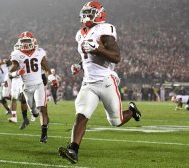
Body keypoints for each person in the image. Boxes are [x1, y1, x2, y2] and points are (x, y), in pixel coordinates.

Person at [58, 1, 142, 163]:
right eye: (86, 12)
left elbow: (116, 57)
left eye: (90, 12)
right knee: (81, 115)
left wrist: (98, 48)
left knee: (116, 121)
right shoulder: (80, 34)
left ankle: (132, 111)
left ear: (99, 14)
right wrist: (79, 65)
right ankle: (73, 150)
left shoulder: (105, 29)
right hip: (88, 83)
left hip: (106, 82)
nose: (86, 16)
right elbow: (88, 58)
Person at [10, 31, 55, 143]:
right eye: (23, 41)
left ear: (32, 41)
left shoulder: (40, 52)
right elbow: (11, 72)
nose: (25, 43)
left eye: (27, 41)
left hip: (39, 84)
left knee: (42, 109)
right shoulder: (16, 54)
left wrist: (52, 78)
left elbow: (46, 68)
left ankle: (44, 134)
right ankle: (33, 114)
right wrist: (16, 73)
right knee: (34, 111)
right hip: (26, 87)